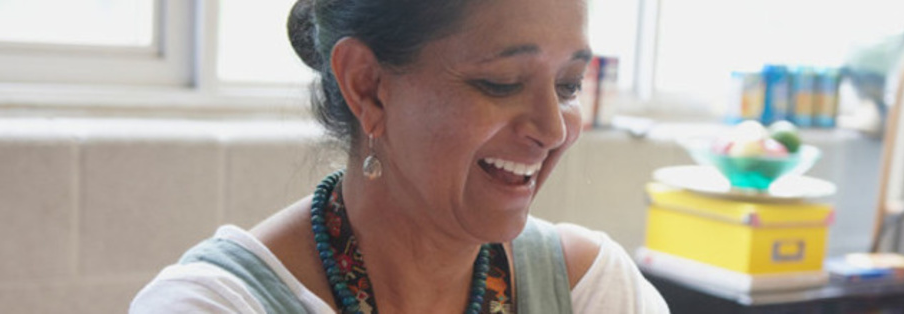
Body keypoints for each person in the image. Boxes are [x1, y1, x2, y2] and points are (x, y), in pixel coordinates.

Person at [130, 0, 668, 312]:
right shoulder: (212, 306)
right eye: (501, 83)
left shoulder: (591, 292)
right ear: (368, 87)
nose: (553, 129)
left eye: (568, 85)